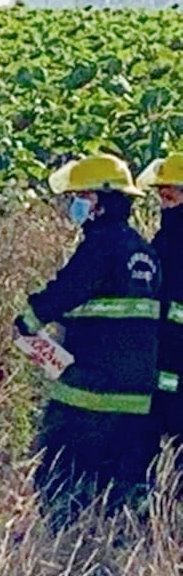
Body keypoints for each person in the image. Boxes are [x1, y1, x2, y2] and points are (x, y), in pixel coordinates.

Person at [13, 152, 162, 531]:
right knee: (117, 490)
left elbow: (66, 291)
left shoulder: (99, 246)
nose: (75, 205)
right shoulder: (144, 251)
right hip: (136, 397)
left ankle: (63, 548)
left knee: (59, 475)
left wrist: (27, 322)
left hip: (88, 391)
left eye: (81, 197)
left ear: (98, 201)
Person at [137, 152, 183, 444]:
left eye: (170, 197)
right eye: (162, 198)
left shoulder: (171, 239)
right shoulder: (165, 237)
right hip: (165, 346)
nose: (164, 205)